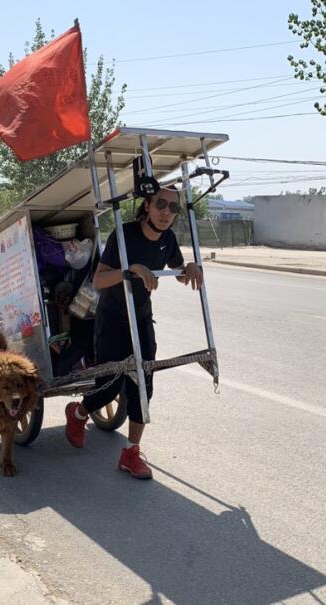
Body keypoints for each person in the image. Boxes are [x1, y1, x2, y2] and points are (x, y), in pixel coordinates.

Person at [65, 185, 203, 479]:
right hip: (112, 319)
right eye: (161, 205)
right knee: (109, 387)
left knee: (143, 386)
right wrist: (133, 269)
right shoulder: (124, 235)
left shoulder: (167, 239)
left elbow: (178, 273)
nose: (167, 212)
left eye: (173, 208)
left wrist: (189, 268)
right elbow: (100, 280)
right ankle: (78, 414)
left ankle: (130, 453)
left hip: (141, 319)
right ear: (147, 207)